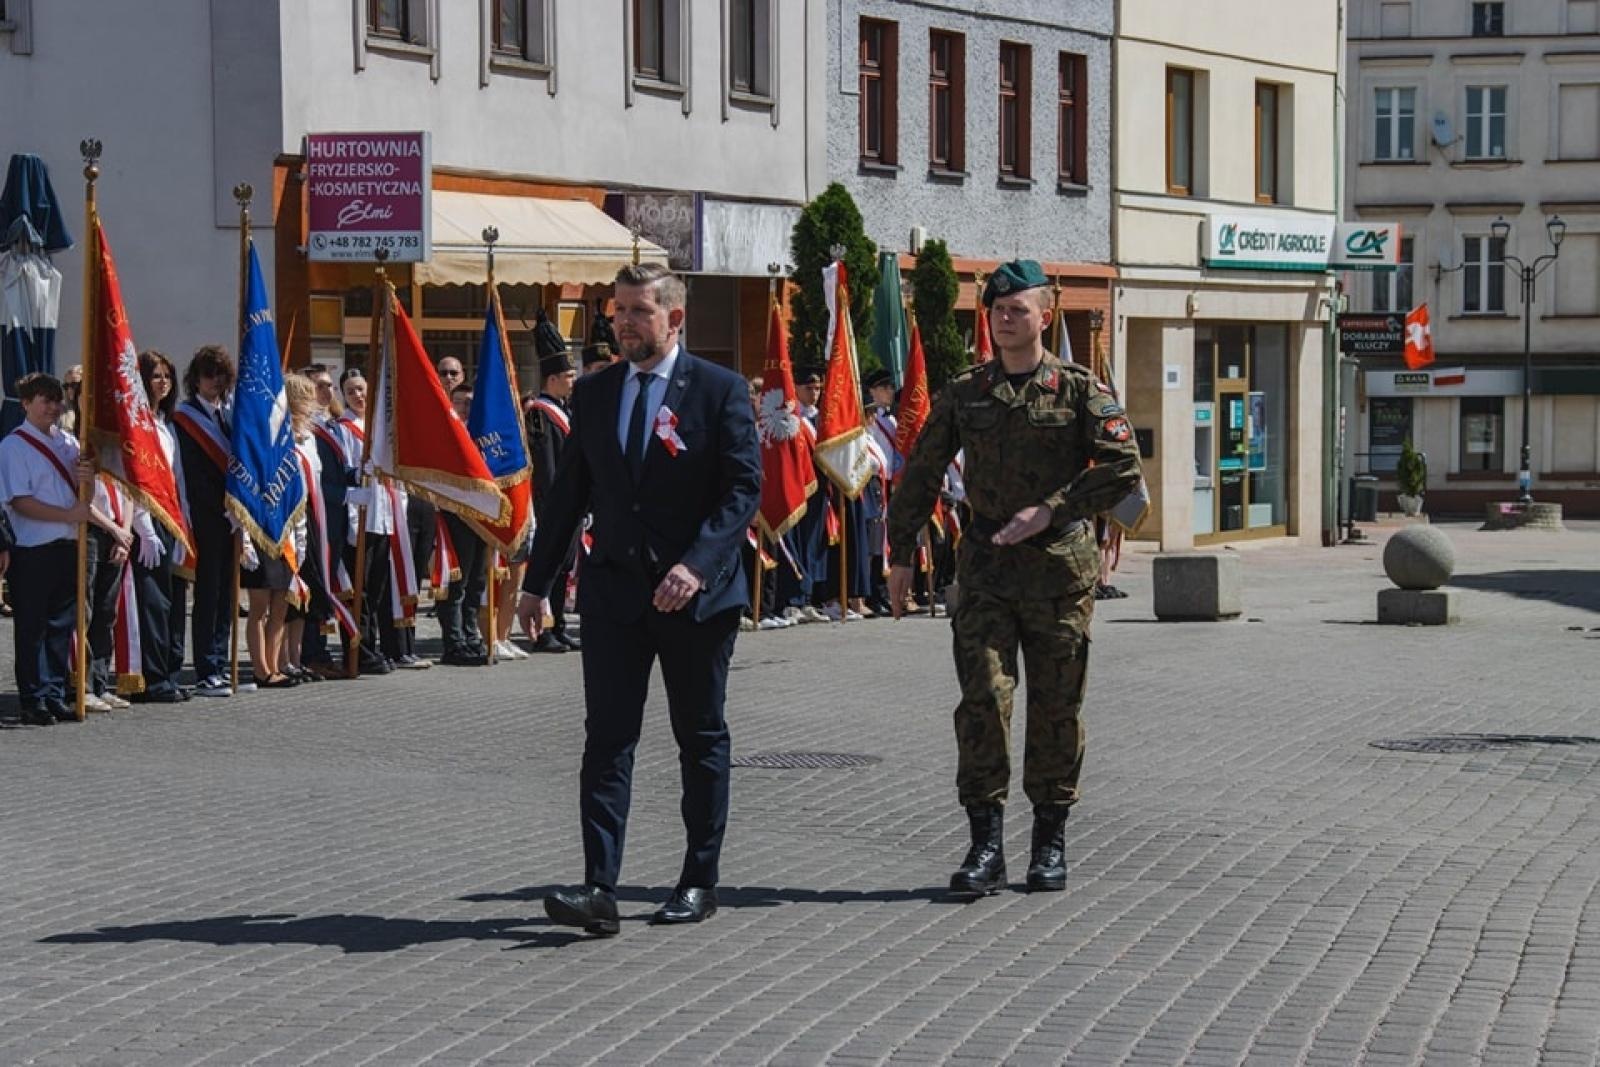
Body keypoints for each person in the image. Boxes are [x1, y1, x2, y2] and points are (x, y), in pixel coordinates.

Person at [887, 259, 1142, 899]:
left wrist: (1052, 509)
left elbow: (1122, 465)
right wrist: (897, 555)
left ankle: (1049, 841)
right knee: (983, 705)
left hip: (1058, 573)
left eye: (1018, 309)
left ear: (1044, 316)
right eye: (997, 310)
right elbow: (921, 470)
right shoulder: (967, 392)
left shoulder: (1079, 391)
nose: (1005, 319)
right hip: (986, 574)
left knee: (1056, 709)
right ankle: (986, 844)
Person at [520, 262, 761, 935]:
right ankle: (599, 887)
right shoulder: (595, 394)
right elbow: (570, 495)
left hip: (695, 600)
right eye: (617, 311)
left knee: (700, 737)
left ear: (674, 318)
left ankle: (698, 878)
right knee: (608, 740)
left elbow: (741, 491)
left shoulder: (719, 391)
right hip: (615, 597)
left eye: (638, 311)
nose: (623, 323)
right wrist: (536, 584)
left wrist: (697, 565)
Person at [0, 372, 98, 724]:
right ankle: (33, 698)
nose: (53, 407)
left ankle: (55, 691)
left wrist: (86, 478)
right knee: (33, 626)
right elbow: (21, 501)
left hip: (68, 545)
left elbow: (81, 491)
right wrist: (67, 514)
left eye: (57, 400)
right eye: (45, 400)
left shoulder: (69, 442)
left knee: (62, 626)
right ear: (26, 404)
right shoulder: (13, 447)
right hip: (33, 547)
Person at [173, 345, 238, 698]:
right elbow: (193, 475)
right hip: (206, 517)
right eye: (208, 375)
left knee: (227, 593)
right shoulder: (185, 419)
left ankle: (221, 661)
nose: (214, 382)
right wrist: (220, 505)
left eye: (220, 375)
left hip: (230, 517)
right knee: (208, 593)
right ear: (195, 378)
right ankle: (205, 667)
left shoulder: (227, 417)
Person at [129, 351, 189, 703]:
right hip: (143, 523)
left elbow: (177, 479)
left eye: (167, 375)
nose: (162, 382)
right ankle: (151, 677)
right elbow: (133, 480)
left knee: (171, 602)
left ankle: (168, 670)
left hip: (170, 519)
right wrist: (145, 529)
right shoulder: (136, 425)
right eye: (155, 376)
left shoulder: (166, 425)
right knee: (151, 602)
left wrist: (183, 526)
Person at [525, 344, 580, 654]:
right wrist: (554, 506)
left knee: (563, 567)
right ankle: (543, 631)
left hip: (569, 507)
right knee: (549, 568)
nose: (573, 381)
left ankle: (558, 625)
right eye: (568, 376)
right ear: (552, 379)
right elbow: (546, 467)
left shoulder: (564, 409)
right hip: (552, 507)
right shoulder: (539, 414)